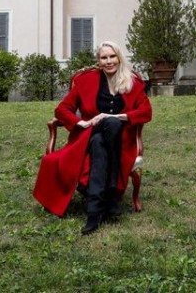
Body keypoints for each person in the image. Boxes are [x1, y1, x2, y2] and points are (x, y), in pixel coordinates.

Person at [32, 41, 153, 235]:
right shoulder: (86, 81)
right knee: (97, 137)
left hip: (121, 140)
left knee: (106, 133)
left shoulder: (133, 82)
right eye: (104, 58)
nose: (108, 61)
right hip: (88, 134)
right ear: (98, 61)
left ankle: (94, 211)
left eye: (112, 56)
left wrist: (113, 117)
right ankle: (111, 197)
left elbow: (146, 112)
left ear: (119, 58)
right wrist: (81, 123)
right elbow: (62, 109)